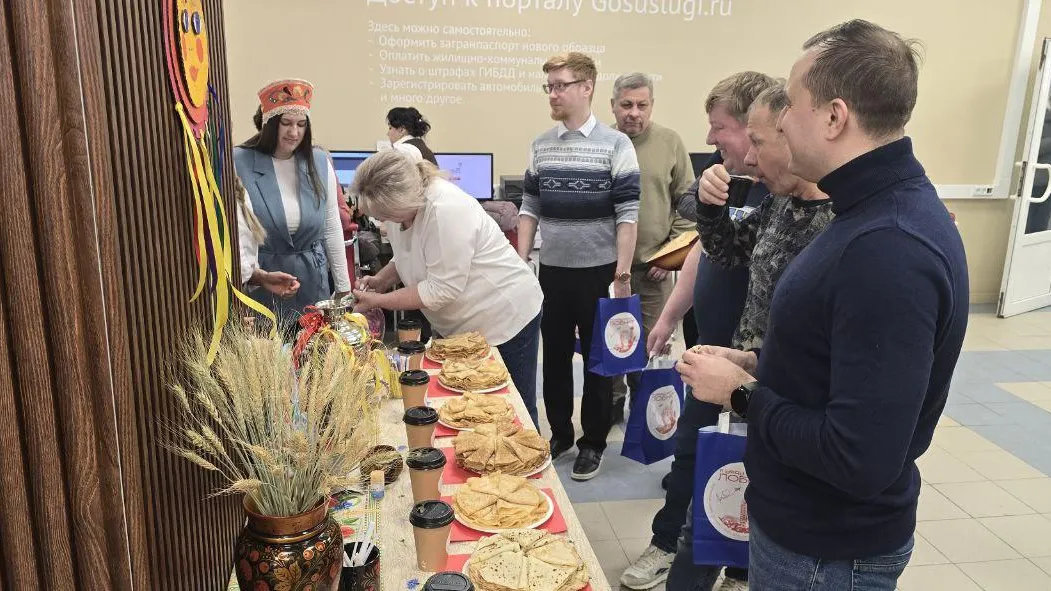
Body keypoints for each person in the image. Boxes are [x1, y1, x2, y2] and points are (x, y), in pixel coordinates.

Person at [678, 20, 968, 590]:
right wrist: (758, 363)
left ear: (835, 117)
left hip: (824, 552)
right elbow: (837, 363)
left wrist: (739, 393)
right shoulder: (866, 212)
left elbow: (858, 457)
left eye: (792, 105)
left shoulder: (888, 247)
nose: (782, 120)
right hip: (803, 530)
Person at [662, 82, 835, 591]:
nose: (751, 159)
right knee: (709, 515)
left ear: (792, 135)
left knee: (740, 521)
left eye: (758, 142)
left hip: (785, 406)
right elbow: (729, 251)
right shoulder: (782, 203)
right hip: (749, 382)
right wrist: (710, 207)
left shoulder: (841, 221)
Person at [620, 71, 776, 591]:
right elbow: (703, 251)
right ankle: (667, 544)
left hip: (755, 366)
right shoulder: (723, 176)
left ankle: (739, 570)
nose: (710, 138)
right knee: (691, 457)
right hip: (709, 354)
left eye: (720, 127)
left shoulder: (784, 190)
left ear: (757, 126)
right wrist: (668, 317)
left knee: (745, 470)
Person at [349, 151, 544, 425]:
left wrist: (378, 301)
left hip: (506, 315)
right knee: (469, 406)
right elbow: (408, 253)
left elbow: (441, 290)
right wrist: (381, 280)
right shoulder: (400, 211)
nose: (384, 222)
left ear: (404, 200)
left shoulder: (445, 209)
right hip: (465, 322)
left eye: (386, 215)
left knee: (511, 408)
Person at [516, 52, 640, 481]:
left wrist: (622, 274)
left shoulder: (616, 145)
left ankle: (593, 443)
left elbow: (627, 214)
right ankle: (561, 434)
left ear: (586, 88)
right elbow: (530, 206)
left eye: (561, 85)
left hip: (600, 273)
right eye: (549, 86)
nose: (553, 94)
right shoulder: (541, 145)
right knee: (553, 360)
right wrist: (521, 260)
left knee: (597, 364)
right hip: (552, 272)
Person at [608, 72, 695, 425]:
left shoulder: (670, 142)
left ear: (651, 106)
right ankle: (612, 406)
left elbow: (688, 204)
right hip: (610, 270)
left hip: (654, 271)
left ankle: (644, 413)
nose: (634, 112)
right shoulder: (602, 142)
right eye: (626, 104)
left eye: (642, 105)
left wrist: (670, 256)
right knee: (612, 345)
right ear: (613, 105)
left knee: (652, 345)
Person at [234, 78, 351, 326]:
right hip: (263, 281)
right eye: (286, 123)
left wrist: (343, 288)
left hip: (312, 281)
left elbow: (331, 225)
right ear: (269, 124)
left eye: (301, 124)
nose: (294, 132)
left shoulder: (318, 161)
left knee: (314, 345)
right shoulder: (239, 161)